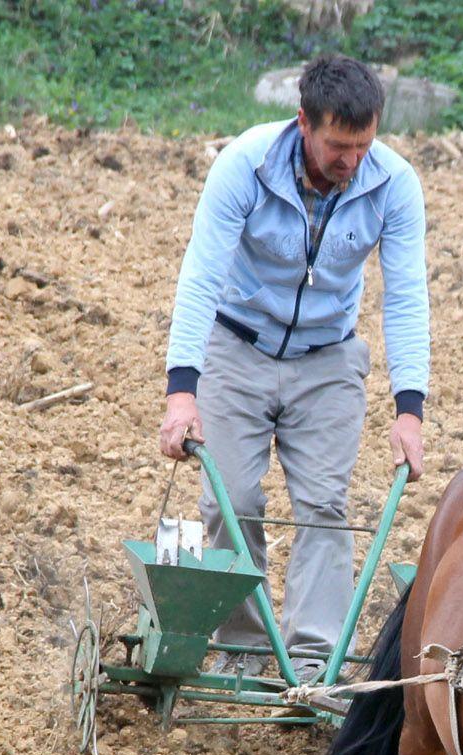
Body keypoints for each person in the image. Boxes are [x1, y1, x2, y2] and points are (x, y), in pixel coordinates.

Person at [157, 55, 430, 684]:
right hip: (237, 345)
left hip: (328, 357)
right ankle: (247, 651)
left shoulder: (393, 183)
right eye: (338, 145)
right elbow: (200, 278)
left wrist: (409, 411)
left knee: (324, 507)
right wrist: (182, 394)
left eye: (364, 145)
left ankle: (314, 664)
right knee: (232, 500)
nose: (351, 161)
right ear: (304, 122)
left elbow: (407, 296)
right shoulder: (245, 165)